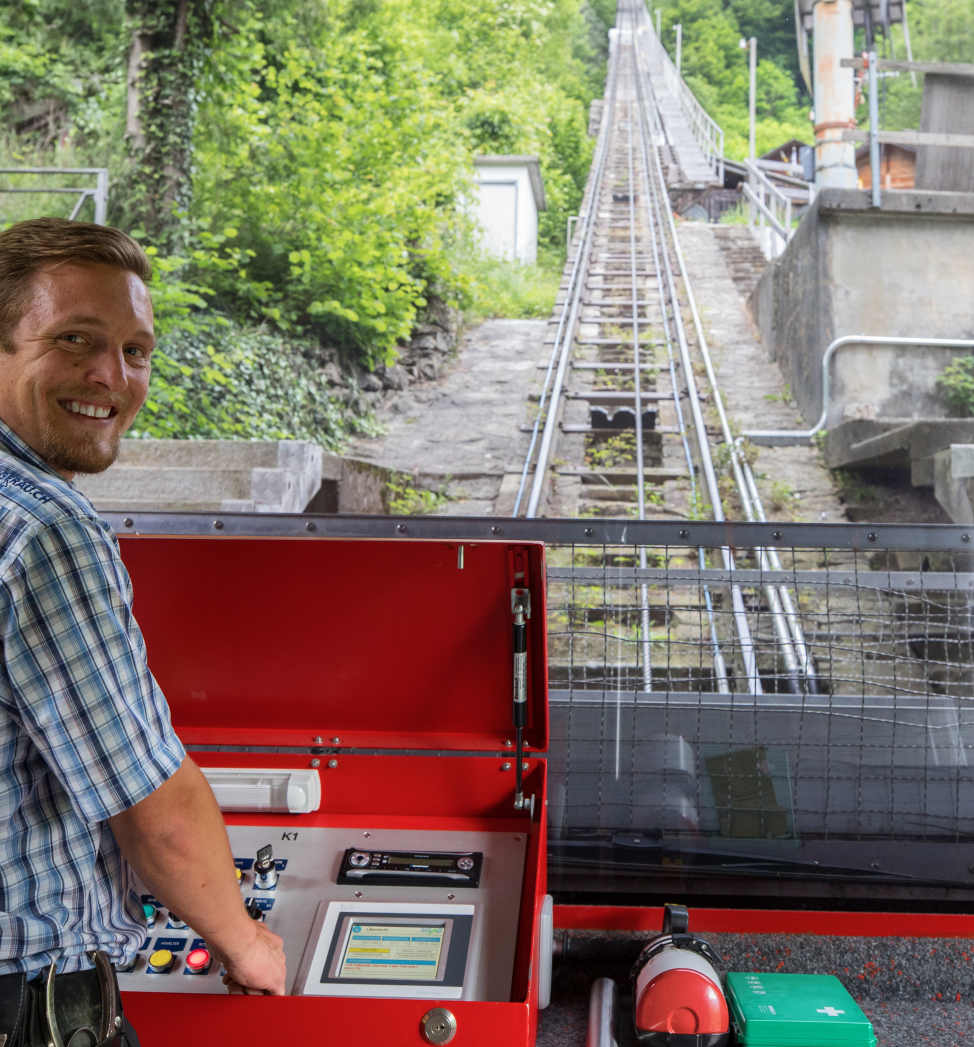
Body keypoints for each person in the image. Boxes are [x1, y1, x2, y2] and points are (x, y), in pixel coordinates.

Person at [0, 218, 286, 1038]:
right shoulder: (43, 530)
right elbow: (154, 809)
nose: (110, 376)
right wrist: (245, 940)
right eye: (74, 338)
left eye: (136, 350)